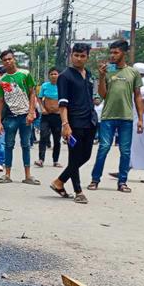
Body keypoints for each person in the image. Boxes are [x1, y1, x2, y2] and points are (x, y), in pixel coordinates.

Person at [89, 40, 144, 193]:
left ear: (124, 53)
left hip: (126, 118)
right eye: (111, 52)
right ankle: (95, 179)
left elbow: (138, 97)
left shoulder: (133, 73)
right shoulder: (107, 71)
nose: (112, 56)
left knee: (125, 151)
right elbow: (103, 95)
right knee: (104, 148)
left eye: (116, 52)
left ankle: (122, 182)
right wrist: (101, 77)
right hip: (108, 117)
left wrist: (140, 119)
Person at [50, 43, 97, 204]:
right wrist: (65, 124)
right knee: (75, 157)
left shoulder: (89, 75)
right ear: (71, 55)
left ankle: (59, 182)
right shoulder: (65, 76)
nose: (79, 58)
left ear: (87, 57)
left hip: (90, 121)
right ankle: (78, 191)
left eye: (82, 56)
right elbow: (62, 103)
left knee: (86, 155)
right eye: (76, 55)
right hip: (74, 122)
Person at [110, 62, 144, 183]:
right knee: (133, 147)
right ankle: (124, 170)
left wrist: (140, 114)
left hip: (141, 120)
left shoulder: (142, 85)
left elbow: (142, 102)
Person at [0, 49, 39, 185]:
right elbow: (1, 101)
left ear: (14, 59)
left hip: (25, 115)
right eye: (4, 60)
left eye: (9, 59)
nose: (8, 61)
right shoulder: (2, 81)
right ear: (2, 62)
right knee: (8, 145)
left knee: (26, 145)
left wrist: (31, 112)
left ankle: (28, 175)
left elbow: (32, 93)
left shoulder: (25, 74)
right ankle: (7, 174)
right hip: (10, 117)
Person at [35, 67, 62, 168]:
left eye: (55, 74)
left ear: (59, 75)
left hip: (58, 116)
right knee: (43, 136)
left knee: (57, 139)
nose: (54, 76)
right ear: (49, 76)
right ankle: (41, 159)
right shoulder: (45, 86)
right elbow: (40, 98)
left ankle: (55, 160)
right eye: (51, 74)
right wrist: (42, 108)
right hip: (46, 116)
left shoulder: (62, 86)